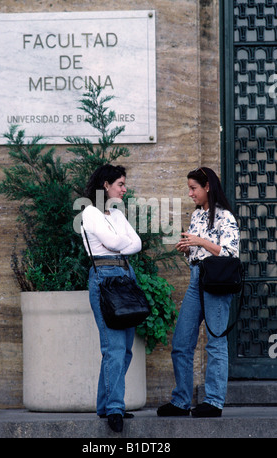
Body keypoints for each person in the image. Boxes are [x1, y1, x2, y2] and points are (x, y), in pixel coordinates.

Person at [157, 167, 240, 418]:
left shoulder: (226, 217)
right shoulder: (197, 216)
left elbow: (231, 253)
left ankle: (214, 401)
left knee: (215, 342)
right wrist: (187, 248)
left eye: (194, 188)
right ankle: (181, 401)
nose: (190, 193)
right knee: (182, 342)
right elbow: (197, 253)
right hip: (197, 279)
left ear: (207, 187)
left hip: (217, 281)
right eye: (189, 188)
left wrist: (200, 242)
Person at [81, 164, 142, 432]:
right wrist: (119, 242)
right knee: (114, 348)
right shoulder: (90, 212)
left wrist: (119, 242)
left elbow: (136, 243)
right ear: (105, 185)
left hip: (126, 278)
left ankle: (106, 405)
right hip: (105, 280)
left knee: (125, 349)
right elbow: (117, 243)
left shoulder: (116, 214)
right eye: (120, 184)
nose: (124, 189)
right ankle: (115, 408)